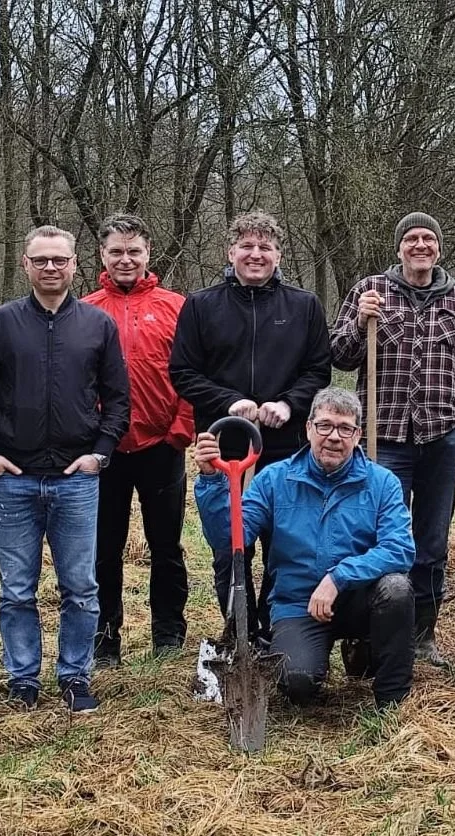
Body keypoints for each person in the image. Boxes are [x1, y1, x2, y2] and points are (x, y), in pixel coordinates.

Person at [0, 225, 130, 713]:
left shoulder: (97, 325)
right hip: (13, 479)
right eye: (41, 260)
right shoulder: (3, 323)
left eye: (60, 259)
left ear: (75, 264)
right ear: (26, 264)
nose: (51, 268)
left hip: (76, 479)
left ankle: (75, 676)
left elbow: (118, 399)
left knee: (80, 587)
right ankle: (23, 680)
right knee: (17, 589)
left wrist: (100, 453)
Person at [330, 212, 455, 666]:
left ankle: (422, 636)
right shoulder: (370, 292)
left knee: (431, 540)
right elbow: (339, 355)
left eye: (428, 238)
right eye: (411, 239)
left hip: (442, 438)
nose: (420, 245)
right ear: (399, 247)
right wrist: (358, 323)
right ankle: (372, 635)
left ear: (438, 247)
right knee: (377, 535)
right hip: (384, 439)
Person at [193, 388, 416, 709]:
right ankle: (311, 657)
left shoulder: (382, 483)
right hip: (298, 603)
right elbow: (230, 540)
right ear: (309, 428)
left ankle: (391, 698)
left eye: (345, 428)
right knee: (296, 682)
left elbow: (400, 549)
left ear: (357, 436)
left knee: (396, 588)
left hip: (359, 597)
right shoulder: (274, 479)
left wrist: (338, 577)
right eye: (325, 425)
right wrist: (212, 481)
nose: (334, 436)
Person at [169, 212, 331, 645]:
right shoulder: (202, 305)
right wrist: (228, 400)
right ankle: (239, 629)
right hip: (224, 444)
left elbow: (319, 370)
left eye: (265, 247)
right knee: (230, 544)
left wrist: (289, 404)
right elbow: (183, 372)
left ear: (279, 255)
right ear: (230, 252)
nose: (255, 254)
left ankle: (278, 630)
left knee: (285, 542)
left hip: (285, 445)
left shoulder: (303, 306)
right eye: (246, 246)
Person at [81, 213, 194, 665]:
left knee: (165, 546)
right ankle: (105, 639)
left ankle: (168, 635)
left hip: (162, 446)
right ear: (102, 255)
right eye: (116, 252)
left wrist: (182, 428)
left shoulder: (177, 307)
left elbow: (192, 372)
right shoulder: (85, 310)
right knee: (103, 549)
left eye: (134, 251)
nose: (125, 259)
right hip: (103, 449)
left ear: (148, 253)